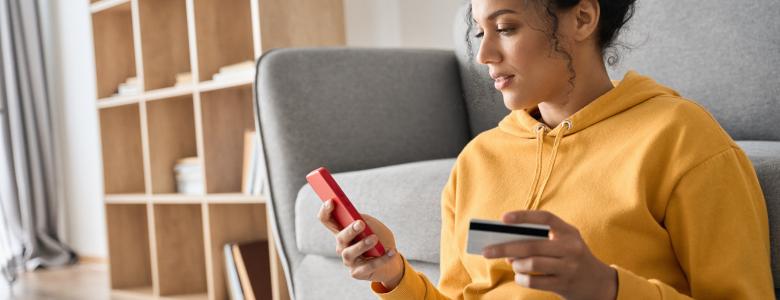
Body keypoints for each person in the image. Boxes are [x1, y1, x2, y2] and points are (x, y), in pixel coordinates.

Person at [318, 0, 776, 298]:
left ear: (582, 18)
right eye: (480, 32)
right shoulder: (479, 161)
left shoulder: (682, 139)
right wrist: (394, 273)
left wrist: (608, 288)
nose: (484, 54)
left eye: (506, 27)